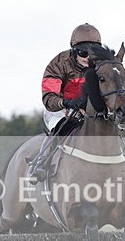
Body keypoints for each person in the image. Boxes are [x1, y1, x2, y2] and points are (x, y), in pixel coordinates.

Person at [27, 23, 102, 181]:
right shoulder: (58, 64)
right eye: (83, 53)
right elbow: (49, 98)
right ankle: (41, 162)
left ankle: (123, 161)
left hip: (88, 111)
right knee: (62, 124)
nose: (88, 58)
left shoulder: (102, 64)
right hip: (61, 110)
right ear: (74, 51)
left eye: (93, 53)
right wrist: (67, 103)